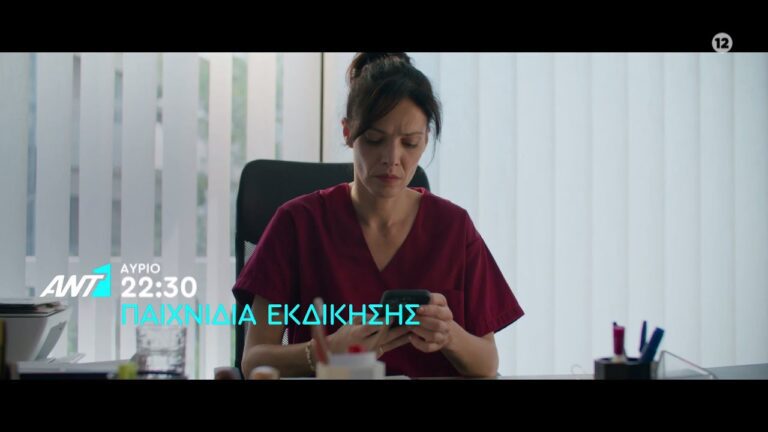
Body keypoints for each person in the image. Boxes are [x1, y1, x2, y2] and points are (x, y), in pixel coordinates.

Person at [233, 52, 523, 378]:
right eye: (374, 139)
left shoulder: (454, 229)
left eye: (409, 143)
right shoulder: (296, 225)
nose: (392, 158)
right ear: (348, 132)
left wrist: (449, 335)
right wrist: (325, 351)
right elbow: (253, 359)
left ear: (426, 139)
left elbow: (488, 363)